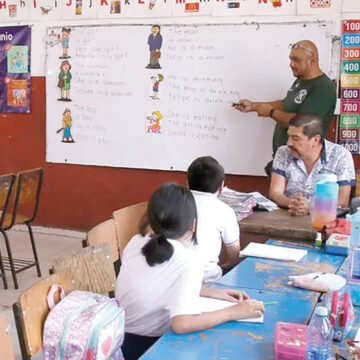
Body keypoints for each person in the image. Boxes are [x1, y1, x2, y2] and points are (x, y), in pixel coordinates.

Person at [116, 182, 264, 360]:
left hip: (119, 339)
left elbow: (155, 285)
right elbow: (182, 324)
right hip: (150, 348)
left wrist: (211, 292)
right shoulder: (188, 259)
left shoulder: (135, 242)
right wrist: (234, 312)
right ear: (193, 225)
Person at [233, 40, 336, 174]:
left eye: (296, 60)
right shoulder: (300, 80)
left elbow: (301, 123)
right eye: (290, 59)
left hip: (302, 164)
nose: (291, 64)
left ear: (312, 60)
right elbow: (287, 103)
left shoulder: (323, 88)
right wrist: (254, 106)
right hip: (285, 158)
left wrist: (270, 112)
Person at [269, 114, 355, 216]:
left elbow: (342, 202)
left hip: (326, 219)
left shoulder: (340, 155)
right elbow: (275, 193)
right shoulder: (283, 152)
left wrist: (310, 207)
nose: (289, 143)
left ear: (315, 140)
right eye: (289, 136)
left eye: (295, 138)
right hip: (289, 215)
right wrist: (294, 204)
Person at [186, 156, 241, 284]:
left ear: (187, 182)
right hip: (207, 281)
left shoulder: (172, 203)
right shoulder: (225, 211)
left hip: (172, 280)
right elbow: (234, 257)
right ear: (221, 186)